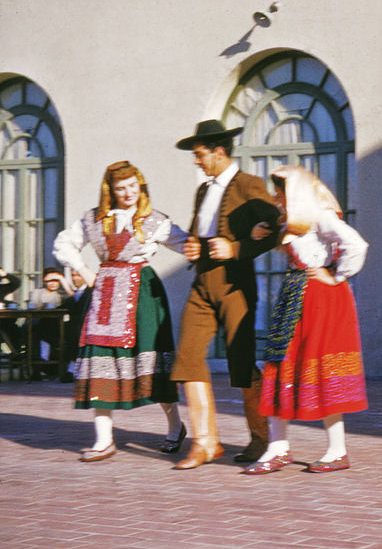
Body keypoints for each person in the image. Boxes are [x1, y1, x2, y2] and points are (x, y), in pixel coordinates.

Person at [53, 161, 188, 461]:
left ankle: (175, 426)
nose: (128, 193)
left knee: (153, 362)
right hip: (105, 296)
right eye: (120, 188)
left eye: (132, 186)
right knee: (101, 358)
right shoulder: (94, 219)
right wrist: (83, 270)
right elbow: (64, 243)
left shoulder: (154, 221)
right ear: (110, 191)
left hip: (144, 295)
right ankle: (104, 440)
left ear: (140, 186)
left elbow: (186, 244)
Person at [242, 165, 368, 474]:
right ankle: (278, 447)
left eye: (281, 191)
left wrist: (337, 276)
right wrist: (264, 230)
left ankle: (337, 450)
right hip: (296, 294)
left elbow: (356, 244)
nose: (277, 197)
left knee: (323, 366)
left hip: (321, 298)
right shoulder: (291, 221)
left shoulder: (320, 215)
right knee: (280, 363)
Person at [170, 120, 281, 469]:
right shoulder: (203, 190)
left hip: (235, 285)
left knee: (241, 361)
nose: (196, 161)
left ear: (219, 152)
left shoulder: (249, 184)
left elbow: (278, 227)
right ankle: (205, 443)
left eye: (200, 154)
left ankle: (262, 439)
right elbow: (199, 232)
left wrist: (236, 248)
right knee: (187, 357)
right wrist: (192, 246)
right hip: (202, 283)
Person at [27, 266, 74, 376]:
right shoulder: (37, 292)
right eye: (50, 281)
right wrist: (43, 305)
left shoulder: (62, 294)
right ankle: (41, 361)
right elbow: (33, 305)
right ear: (44, 280)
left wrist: (63, 280)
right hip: (38, 323)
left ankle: (42, 362)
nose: (53, 284)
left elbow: (74, 298)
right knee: (38, 329)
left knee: (41, 329)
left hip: (59, 326)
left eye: (56, 281)